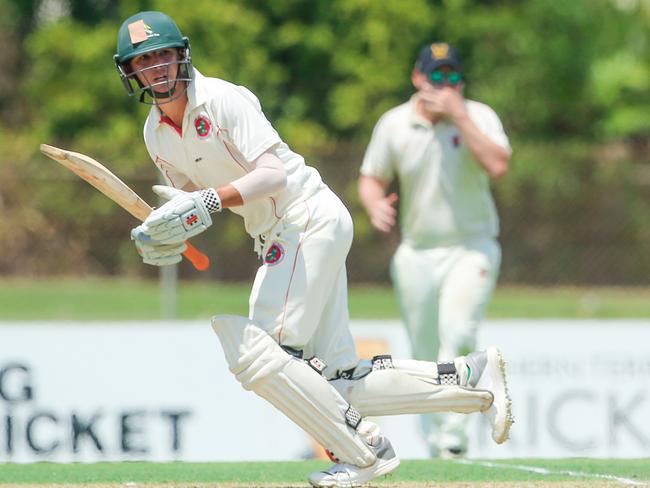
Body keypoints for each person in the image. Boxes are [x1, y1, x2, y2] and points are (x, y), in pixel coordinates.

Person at [115, 13, 513, 486]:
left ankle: (366, 451)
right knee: (338, 378)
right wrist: (165, 236)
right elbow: (190, 205)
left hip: (304, 216)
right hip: (282, 234)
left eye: (163, 54)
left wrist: (207, 201)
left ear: (181, 54)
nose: (157, 67)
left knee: (261, 354)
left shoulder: (224, 100)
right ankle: (471, 378)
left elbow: (271, 176)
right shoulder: (154, 133)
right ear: (131, 71)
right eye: (145, 60)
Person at [358, 42, 512, 458]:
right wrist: (373, 202)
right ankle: (436, 445)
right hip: (417, 253)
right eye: (435, 77)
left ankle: (455, 437)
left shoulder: (478, 116)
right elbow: (371, 178)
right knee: (425, 354)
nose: (444, 86)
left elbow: (498, 165)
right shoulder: (394, 124)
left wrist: (460, 116)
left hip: (472, 247)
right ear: (417, 78)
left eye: (452, 78)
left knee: (458, 334)